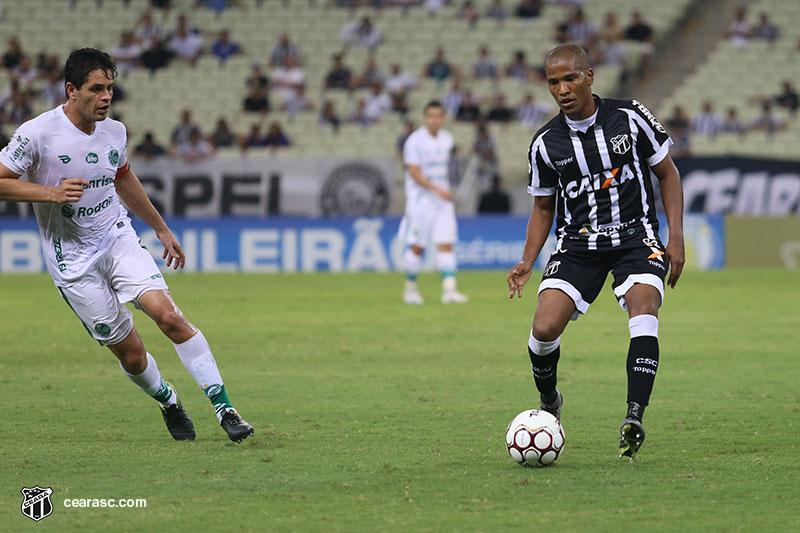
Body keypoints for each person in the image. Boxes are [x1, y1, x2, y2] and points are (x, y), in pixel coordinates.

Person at [0, 48, 254, 443]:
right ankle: (168, 400)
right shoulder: (36, 133)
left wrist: (161, 229)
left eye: (110, 89)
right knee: (132, 355)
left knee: (167, 315)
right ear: (71, 90)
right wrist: (49, 194)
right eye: (96, 89)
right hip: (73, 262)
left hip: (116, 238)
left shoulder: (115, 132)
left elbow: (123, 179)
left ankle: (225, 408)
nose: (105, 97)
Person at [506, 44, 684, 460]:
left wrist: (675, 238)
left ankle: (634, 415)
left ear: (589, 75)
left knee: (644, 308)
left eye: (570, 78)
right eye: (553, 82)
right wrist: (528, 260)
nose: (562, 89)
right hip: (577, 246)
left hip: (635, 238)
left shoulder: (630, 116)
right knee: (544, 328)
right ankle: (550, 400)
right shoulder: (546, 143)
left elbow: (668, 173)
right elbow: (543, 207)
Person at [400, 101, 468, 305]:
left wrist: (444, 189)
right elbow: (413, 172)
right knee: (417, 247)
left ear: (444, 118)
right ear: (425, 118)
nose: (435, 119)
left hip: (442, 201)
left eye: (439, 115)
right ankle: (410, 289)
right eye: (431, 115)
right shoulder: (414, 141)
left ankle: (449, 290)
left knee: (446, 244)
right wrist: (438, 190)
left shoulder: (447, 139)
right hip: (421, 201)